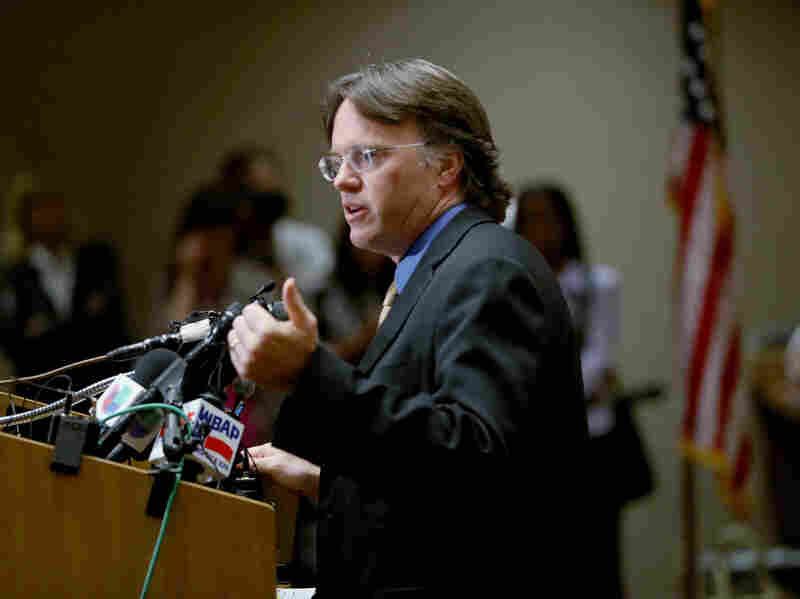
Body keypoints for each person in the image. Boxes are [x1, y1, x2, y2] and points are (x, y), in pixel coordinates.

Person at [227, 59, 590, 597]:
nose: (344, 179)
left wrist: (313, 372)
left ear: (446, 164)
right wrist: (324, 484)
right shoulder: (433, 272)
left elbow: (475, 464)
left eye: (366, 156)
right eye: (336, 162)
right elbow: (436, 494)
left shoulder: (487, 270)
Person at [510, 182, 648, 598]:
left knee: (599, 566)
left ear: (567, 224)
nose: (539, 228)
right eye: (529, 219)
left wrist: (544, 388)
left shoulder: (599, 284)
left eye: (548, 218)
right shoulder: (510, 286)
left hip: (593, 445)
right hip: (533, 447)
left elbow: (599, 363)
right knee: (543, 567)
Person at [0, 189, 130, 414]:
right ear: (27, 220)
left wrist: (49, 332)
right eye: (41, 211)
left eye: (55, 209)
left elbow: (113, 330)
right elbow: (16, 344)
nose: (51, 218)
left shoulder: (93, 264)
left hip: (89, 392)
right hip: (37, 396)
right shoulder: (15, 276)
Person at [317, 221, 395, 364]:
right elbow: (333, 353)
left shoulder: (394, 279)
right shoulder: (333, 291)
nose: (373, 252)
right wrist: (367, 335)